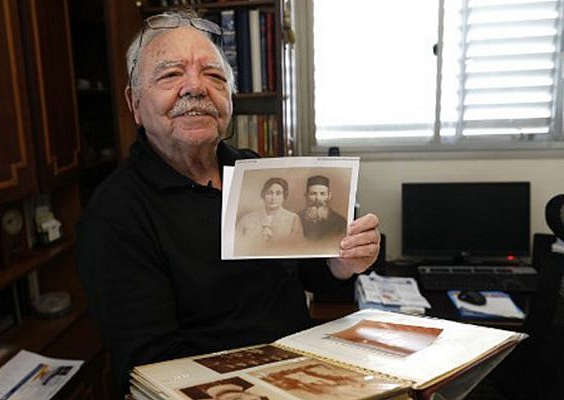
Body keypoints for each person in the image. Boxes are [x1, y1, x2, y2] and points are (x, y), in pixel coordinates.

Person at [76, 9, 381, 392]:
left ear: (229, 99)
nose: (196, 88)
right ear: (135, 103)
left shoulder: (254, 171)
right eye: (171, 74)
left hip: (304, 377)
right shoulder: (115, 216)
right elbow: (151, 367)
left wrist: (340, 262)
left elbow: (307, 272)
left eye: (214, 76)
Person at [235, 177, 303, 254]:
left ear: (284, 196)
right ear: (263, 195)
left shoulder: (293, 219)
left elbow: (297, 249)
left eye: (278, 193)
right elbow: (237, 247)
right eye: (269, 193)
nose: (273, 198)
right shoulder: (246, 219)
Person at [298, 175, 347, 241]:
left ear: (329, 196)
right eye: (313, 194)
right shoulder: (297, 219)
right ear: (306, 195)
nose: (318, 198)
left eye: (322, 194)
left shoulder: (341, 222)